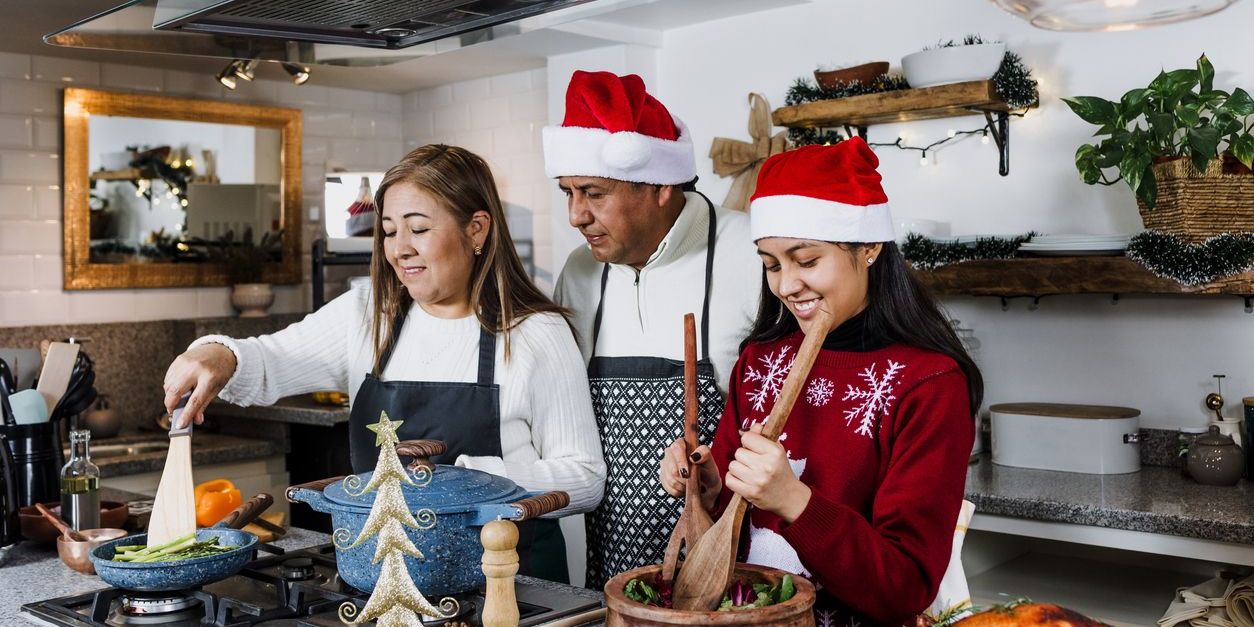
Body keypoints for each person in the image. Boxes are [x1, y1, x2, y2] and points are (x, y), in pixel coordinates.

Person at [163, 144, 606, 583]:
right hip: (384, 583)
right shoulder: (368, 315)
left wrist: (476, 479)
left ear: (476, 229)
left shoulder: (535, 332)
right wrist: (218, 354)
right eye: (390, 232)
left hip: (513, 588)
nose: (400, 249)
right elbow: (269, 361)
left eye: (419, 228)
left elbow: (585, 478)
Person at [660, 139, 982, 625]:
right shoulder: (760, 361)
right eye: (771, 264)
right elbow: (730, 535)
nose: (787, 285)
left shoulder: (928, 384)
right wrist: (707, 489)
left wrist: (792, 500)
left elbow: (906, 585)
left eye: (807, 260)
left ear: (869, 247)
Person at [545, 70, 762, 589]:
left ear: (661, 186)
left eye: (594, 192)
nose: (575, 215)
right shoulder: (579, 271)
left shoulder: (752, 254)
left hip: (735, 566)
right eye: (567, 192)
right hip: (612, 575)